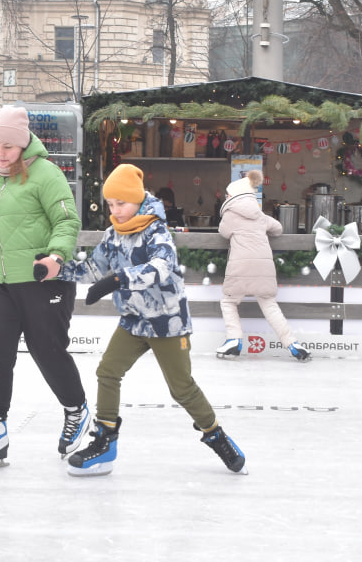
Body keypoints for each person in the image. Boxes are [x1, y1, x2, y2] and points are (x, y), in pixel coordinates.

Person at [60, 163, 247, 477]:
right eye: (110, 204)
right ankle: (105, 442)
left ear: (136, 199)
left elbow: (161, 267)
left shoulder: (157, 230)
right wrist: (54, 272)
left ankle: (216, 436)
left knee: (182, 388)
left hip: (166, 321)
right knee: (107, 372)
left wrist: (118, 280)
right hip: (134, 320)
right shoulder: (113, 235)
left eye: (121, 203)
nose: (115, 210)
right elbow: (91, 268)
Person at [0, 105, 89, 469]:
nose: (0, 153)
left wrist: (55, 257)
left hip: (41, 277)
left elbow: (66, 221)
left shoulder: (46, 173)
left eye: (8, 147)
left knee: (47, 350)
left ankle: (76, 411)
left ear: (24, 144)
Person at [215, 170, 311, 361]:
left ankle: (234, 339)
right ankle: (292, 343)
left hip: (240, 268)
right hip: (264, 269)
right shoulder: (260, 217)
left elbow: (223, 232)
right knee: (269, 305)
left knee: (228, 301)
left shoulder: (229, 216)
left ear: (232, 197)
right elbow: (278, 229)